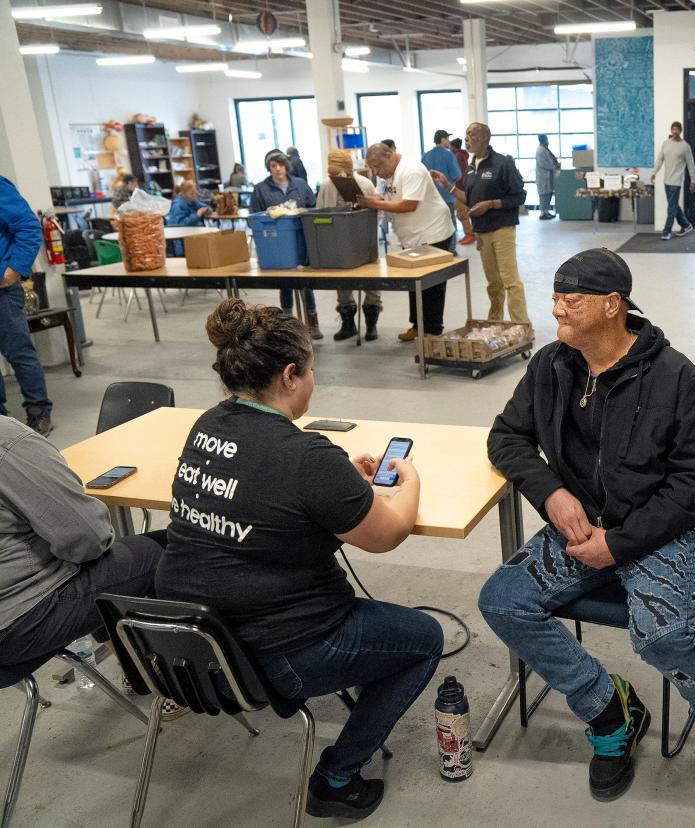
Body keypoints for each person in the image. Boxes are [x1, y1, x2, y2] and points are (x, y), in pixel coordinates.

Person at [478, 248, 695, 801]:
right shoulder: (551, 366)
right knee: (502, 601)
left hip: (661, 529)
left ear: (612, 304)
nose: (557, 308)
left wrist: (620, 544)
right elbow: (506, 437)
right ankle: (608, 710)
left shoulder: (677, 379)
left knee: (662, 634)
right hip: (580, 525)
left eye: (570, 299)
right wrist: (551, 492)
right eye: (555, 296)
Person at [156, 299, 443, 820]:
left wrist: (336, 483)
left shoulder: (209, 424)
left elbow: (264, 493)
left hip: (193, 645)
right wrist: (410, 481)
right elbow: (387, 534)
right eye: (311, 369)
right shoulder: (306, 456)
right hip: (272, 649)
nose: (314, 378)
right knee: (424, 639)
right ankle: (337, 777)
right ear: (290, 375)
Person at [0, 415, 180, 721]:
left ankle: (134, 664)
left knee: (101, 571)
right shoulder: (8, 442)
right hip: (16, 621)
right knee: (168, 548)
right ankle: (178, 681)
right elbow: (88, 538)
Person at [429, 123, 529, 324]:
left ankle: (522, 325)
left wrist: (491, 204)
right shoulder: (471, 166)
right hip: (482, 232)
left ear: (485, 138)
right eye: (465, 135)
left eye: (471, 135)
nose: (466, 139)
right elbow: (469, 198)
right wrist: (447, 185)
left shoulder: (503, 164)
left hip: (502, 229)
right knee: (493, 284)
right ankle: (495, 321)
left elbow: (520, 196)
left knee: (510, 281)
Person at [358, 143, 454, 343]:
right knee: (414, 284)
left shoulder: (412, 170)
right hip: (410, 237)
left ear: (391, 155)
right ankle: (417, 326)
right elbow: (379, 193)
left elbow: (409, 204)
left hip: (433, 232)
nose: (377, 172)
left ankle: (433, 331)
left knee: (432, 285)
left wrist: (376, 204)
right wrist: (370, 199)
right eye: (373, 168)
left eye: (379, 167)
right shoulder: (384, 173)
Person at [0, 176, 53, 436]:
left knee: (19, 353)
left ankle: (38, 411)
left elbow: (30, 228)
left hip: (2, 291)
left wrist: (13, 270)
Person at [250, 151, 321, 340]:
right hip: (277, 243)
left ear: (287, 166)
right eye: (273, 165)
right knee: (284, 282)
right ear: (269, 168)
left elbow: (313, 208)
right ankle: (288, 326)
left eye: (281, 165)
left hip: (301, 241)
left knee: (306, 282)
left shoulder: (300, 184)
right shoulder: (261, 189)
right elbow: (254, 218)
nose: (278, 169)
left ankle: (312, 322)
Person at [317, 149, 382, 343]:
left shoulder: (365, 184)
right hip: (338, 243)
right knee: (342, 283)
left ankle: (371, 324)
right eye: (333, 173)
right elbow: (321, 212)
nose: (336, 177)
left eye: (339, 173)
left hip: (364, 241)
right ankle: (348, 324)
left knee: (371, 281)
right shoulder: (326, 186)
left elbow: (377, 212)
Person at [651, 121, 695, 241]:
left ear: (680, 131)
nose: (675, 131)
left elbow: (690, 164)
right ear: (671, 130)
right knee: (673, 205)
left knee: (671, 207)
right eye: (673, 129)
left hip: (676, 181)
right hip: (667, 180)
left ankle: (667, 231)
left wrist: (693, 180)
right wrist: (654, 173)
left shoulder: (685, 146)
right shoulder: (666, 144)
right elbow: (660, 159)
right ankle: (686, 225)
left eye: (677, 129)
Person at [420, 129, 462, 239]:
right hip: (446, 197)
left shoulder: (425, 156)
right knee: (449, 225)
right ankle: (450, 251)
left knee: (433, 226)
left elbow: (421, 176)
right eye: (448, 138)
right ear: (443, 139)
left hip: (430, 198)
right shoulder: (449, 155)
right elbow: (457, 176)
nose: (449, 141)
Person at [448, 138, 475, 244]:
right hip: (465, 187)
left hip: (460, 188)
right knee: (464, 212)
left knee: (462, 213)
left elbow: (458, 174)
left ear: (453, 146)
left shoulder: (457, 156)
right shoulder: (462, 155)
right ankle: (470, 233)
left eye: (450, 146)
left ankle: (470, 235)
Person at [535, 134, 560, 220]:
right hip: (543, 177)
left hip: (547, 177)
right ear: (544, 140)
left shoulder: (544, 149)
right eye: (547, 139)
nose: (548, 141)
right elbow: (543, 164)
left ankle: (546, 211)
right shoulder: (540, 151)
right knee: (544, 195)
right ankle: (543, 213)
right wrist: (554, 166)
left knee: (548, 194)